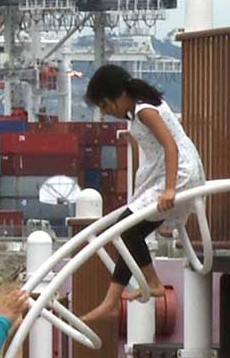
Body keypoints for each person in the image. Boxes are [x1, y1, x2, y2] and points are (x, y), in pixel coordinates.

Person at [81, 63, 205, 323]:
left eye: (104, 106)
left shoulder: (145, 110)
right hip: (170, 174)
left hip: (178, 174)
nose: (106, 113)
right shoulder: (140, 108)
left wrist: (170, 188)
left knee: (126, 229)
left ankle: (152, 282)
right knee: (128, 233)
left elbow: (170, 146)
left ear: (115, 97)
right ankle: (111, 301)